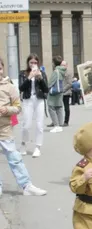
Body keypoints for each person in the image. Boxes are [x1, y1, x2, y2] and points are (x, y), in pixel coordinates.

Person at [0, 57, 47, 197]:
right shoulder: (23, 75)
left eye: (0, 67)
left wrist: (7, 110)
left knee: (14, 158)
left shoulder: (9, 87)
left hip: (4, 129)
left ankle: (26, 185)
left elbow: (17, 107)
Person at [19, 53, 48, 158]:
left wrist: (40, 78)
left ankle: (38, 147)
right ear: (28, 63)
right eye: (31, 62)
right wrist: (29, 77)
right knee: (26, 125)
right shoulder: (23, 73)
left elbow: (46, 89)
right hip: (28, 99)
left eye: (35, 62)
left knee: (40, 125)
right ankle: (23, 143)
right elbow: (21, 88)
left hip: (39, 99)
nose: (33, 64)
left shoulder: (42, 73)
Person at [47, 55, 66, 133]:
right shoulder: (62, 70)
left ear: (54, 63)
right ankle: (60, 125)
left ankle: (56, 125)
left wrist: (47, 87)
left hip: (54, 92)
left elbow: (51, 82)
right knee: (59, 108)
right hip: (60, 91)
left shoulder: (56, 71)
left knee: (51, 108)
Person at [61, 61, 73, 127]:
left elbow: (70, 84)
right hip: (59, 93)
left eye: (64, 65)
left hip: (66, 93)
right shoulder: (59, 72)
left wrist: (63, 90)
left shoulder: (69, 72)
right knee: (56, 107)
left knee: (66, 108)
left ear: (66, 65)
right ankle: (56, 121)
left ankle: (66, 121)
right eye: (61, 65)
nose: (62, 66)